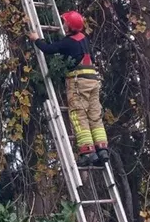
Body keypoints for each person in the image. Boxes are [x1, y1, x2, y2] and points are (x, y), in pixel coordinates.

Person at [29, 11, 109, 167]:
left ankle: (87, 152)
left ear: (69, 26)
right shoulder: (84, 39)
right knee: (94, 115)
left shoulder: (68, 42)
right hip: (93, 81)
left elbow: (49, 49)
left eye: (65, 22)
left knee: (79, 115)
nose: (63, 24)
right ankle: (102, 149)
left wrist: (36, 39)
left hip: (78, 83)